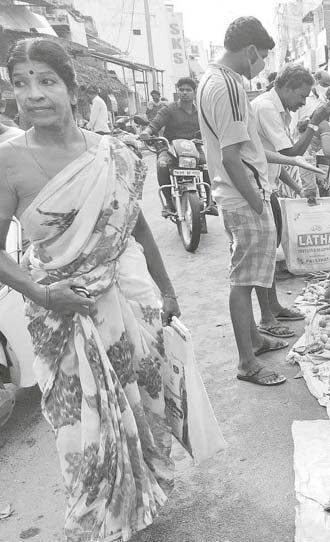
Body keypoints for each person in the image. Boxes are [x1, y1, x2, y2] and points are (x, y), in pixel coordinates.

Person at [0, 37, 180, 541]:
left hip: (128, 296)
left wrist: (166, 288)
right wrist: (42, 295)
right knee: (83, 425)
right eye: (20, 83)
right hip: (62, 311)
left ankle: (141, 492)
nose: (33, 94)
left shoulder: (111, 153)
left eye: (46, 80)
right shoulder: (7, 160)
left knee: (138, 399)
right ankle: (103, 513)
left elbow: (136, 225)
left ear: (72, 89)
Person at [197, 16, 289, 386]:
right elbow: (233, 156)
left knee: (246, 275)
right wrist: (256, 202)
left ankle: (254, 339)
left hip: (231, 194)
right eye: (264, 55)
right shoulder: (231, 87)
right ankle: (247, 362)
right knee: (244, 280)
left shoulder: (209, 79)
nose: (263, 63)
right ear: (251, 50)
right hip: (242, 195)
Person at [251, 63, 330, 338]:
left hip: (269, 185)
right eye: (302, 94)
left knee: (272, 246)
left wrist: (298, 188)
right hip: (255, 187)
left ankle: (273, 306)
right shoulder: (265, 108)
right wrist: (314, 121)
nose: (303, 101)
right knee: (263, 254)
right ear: (287, 87)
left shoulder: (279, 111)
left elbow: (279, 159)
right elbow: (291, 153)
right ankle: (265, 317)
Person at [141, 77, 217, 217]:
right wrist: (146, 132)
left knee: (208, 165)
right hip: (170, 149)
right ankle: (169, 203)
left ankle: (210, 202)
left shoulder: (201, 111)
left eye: (188, 90)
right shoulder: (169, 109)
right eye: (181, 90)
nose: (184, 93)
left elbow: (211, 127)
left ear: (195, 92)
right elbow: (155, 124)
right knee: (162, 164)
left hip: (194, 149)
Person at [295, 82, 330, 197]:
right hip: (308, 164)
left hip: (297, 162)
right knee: (312, 196)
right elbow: (328, 152)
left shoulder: (307, 119)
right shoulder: (324, 125)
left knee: (301, 194)